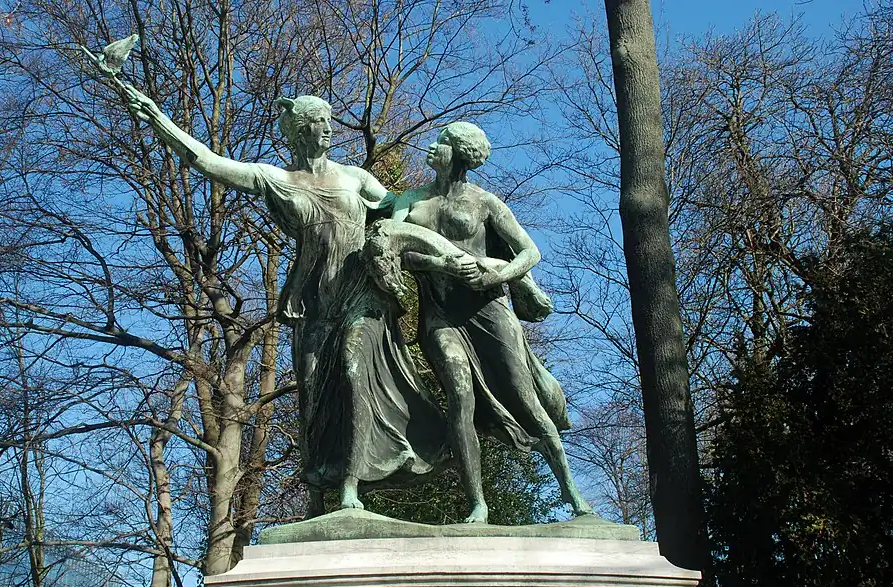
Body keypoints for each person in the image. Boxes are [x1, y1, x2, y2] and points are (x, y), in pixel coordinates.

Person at [123, 88, 446, 514]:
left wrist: (392, 235)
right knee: (312, 392)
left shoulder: (355, 178)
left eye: (330, 121)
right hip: (312, 299)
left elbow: (399, 204)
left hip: (360, 294)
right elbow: (206, 161)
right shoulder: (276, 178)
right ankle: (316, 496)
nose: (329, 129)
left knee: (352, 375)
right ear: (299, 130)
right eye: (319, 121)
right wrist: (156, 118)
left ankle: (351, 487)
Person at [381, 122, 593, 523]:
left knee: (526, 399)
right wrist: (436, 263)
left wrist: (496, 276)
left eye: (441, 142)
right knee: (460, 397)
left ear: (459, 154)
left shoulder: (485, 203)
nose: (432, 146)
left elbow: (530, 253)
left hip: (489, 312)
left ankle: (573, 493)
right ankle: (477, 503)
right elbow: (396, 247)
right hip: (441, 315)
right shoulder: (411, 201)